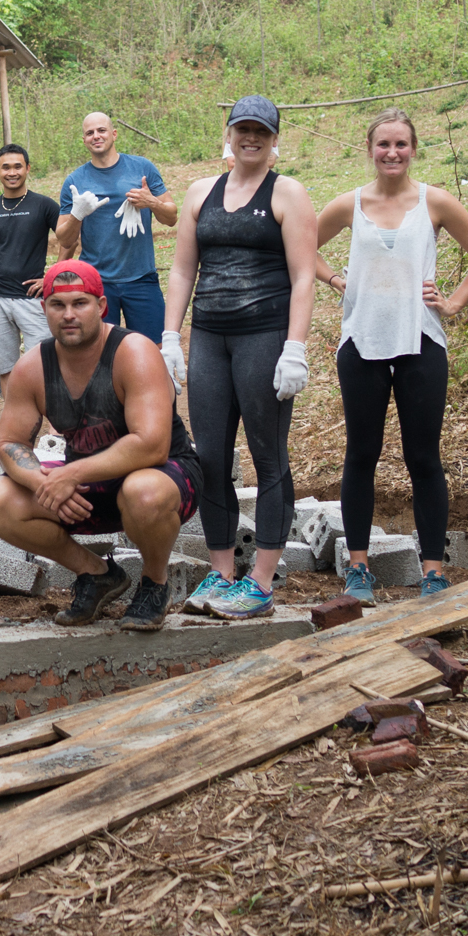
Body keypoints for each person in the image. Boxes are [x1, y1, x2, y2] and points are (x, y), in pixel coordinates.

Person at [314, 111, 468, 601]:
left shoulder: (433, 201)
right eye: (383, 145)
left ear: (414, 148)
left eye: (401, 144)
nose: (392, 153)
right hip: (362, 343)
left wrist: (455, 302)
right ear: (370, 148)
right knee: (361, 454)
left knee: (424, 458)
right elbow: (299, 246)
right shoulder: (351, 204)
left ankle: (433, 571)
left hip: (421, 341)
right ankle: (358, 568)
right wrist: (337, 280)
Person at [0, 261, 198, 632]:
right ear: (43, 309)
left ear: (101, 306)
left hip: (164, 477)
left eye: (80, 303)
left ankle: (155, 583)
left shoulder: (134, 352)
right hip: (91, 486)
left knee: (141, 491)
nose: (69, 315)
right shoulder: (32, 367)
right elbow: (10, 442)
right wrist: (41, 482)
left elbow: (151, 445)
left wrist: (69, 474)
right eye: (57, 305)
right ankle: (96, 574)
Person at [160, 96, 317, 619]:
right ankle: (222, 570)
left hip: (263, 335)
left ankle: (262, 580)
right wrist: (169, 337)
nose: (251, 137)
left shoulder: (288, 194)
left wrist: (295, 346)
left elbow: (303, 275)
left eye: (261, 131)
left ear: (274, 140)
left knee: (268, 455)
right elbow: (183, 271)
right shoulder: (200, 193)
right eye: (242, 129)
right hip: (208, 335)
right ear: (228, 134)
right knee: (210, 459)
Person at [53, 113, 175, 341]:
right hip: (95, 281)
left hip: (141, 277)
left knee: (152, 347)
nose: (96, 136)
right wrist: (77, 215)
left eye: (101, 130)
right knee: (99, 349)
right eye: (90, 133)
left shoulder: (142, 168)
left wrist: (151, 202)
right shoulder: (74, 181)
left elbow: (171, 217)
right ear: (84, 140)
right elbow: (64, 239)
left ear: (114, 134)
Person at [0, 143, 62, 388]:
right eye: (6, 167)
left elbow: (70, 239)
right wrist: (4, 268)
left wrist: (52, 276)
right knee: (5, 367)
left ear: (28, 168)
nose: (12, 172)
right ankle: (16, 424)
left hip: (33, 299)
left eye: (18, 166)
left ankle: (49, 423)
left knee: (43, 364)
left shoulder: (44, 205)